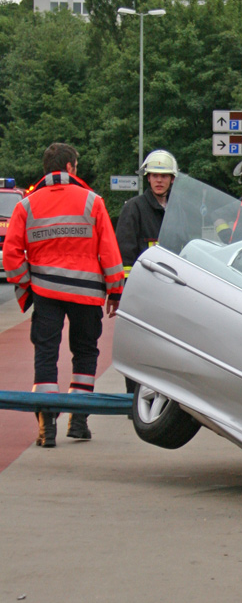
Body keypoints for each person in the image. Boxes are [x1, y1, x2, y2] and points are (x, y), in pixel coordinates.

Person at [2, 142, 124, 447]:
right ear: (70, 168)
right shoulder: (92, 202)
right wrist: (115, 290)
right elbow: (108, 250)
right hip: (86, 294)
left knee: (46, 353)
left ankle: (47, 426)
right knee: (84, 352)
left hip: (45, 292)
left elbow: (11, 254)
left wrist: (26, 284)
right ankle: (79, 422)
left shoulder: (26, 205)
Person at [116, 149, 178, 279]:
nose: (159, 180)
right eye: (155, 175)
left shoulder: (177, 209)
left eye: (164, 176)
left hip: (172, 281)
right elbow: (125, 253)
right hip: (143, 282)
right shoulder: (134, 207)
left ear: (172, 179)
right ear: (148, 178)